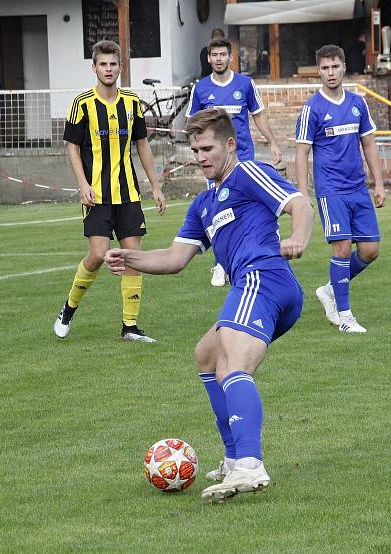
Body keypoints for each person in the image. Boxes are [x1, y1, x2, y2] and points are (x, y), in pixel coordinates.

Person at [104, 108, 313, 502]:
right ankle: (235, 459)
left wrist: (298, 238)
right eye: (195, 149)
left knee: (233, 364)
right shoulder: (203, 203)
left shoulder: (248, 173)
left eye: (207, 148)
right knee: (206, 356)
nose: (200, 156)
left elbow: (300, 204)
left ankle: (250, 464)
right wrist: (131, 258)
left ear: (230, 145)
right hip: (256, 287)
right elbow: (174, 258)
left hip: (263, 278)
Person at [53, 40, 166, 343]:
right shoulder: (82, 103)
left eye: (113, 64)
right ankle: (68, 308)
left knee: (133, 257)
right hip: (97, 195)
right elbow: (72, 148)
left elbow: (142, 143)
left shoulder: (131, 101)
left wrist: (155, 186)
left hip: (128, 193)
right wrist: (83, 184)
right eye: (102, 64)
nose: (108, 69)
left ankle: (130, 327)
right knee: (97, 255)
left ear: (120, 66)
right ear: (94, 68)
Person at [295, 44, 386, 333]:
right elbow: (301, 153)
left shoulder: (358, 103)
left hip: (358, 189)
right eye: (325, 68)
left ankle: (331, 290)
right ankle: (345, 317)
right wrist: (303, 195)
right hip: (330, 190)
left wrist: (379, 183)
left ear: (344, 67)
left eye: (335, 66)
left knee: (370, 250)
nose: (330, 72)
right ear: (318, 71)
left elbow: (369, 144)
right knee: (343, 248)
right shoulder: (312, 109)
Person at [188, 36, 283, 287]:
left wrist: (272, 142)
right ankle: (221, 263)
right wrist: (198, 152)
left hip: (243, 159)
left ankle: (259, 250)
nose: (218, 59)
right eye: (214, 55)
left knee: (248, 209)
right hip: (217, 163)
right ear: (208, 58)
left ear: (231, 57)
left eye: (223, 55)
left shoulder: (245, 84)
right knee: (220, 211)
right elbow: (193, 124)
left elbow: (259, 116)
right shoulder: (201, 88)